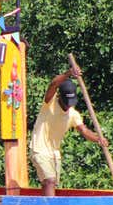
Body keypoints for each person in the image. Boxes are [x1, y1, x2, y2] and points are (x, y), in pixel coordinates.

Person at [30, 65, 108, 196]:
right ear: (60, 97)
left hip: (54, 153)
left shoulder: (73, 114)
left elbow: (84, 131)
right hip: (39, 149)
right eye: (66, 102)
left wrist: (98, 139)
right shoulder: (49, 104)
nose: (68, 106)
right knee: (50, 180)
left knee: (50, 184)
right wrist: (68, 73)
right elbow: (53, 84)